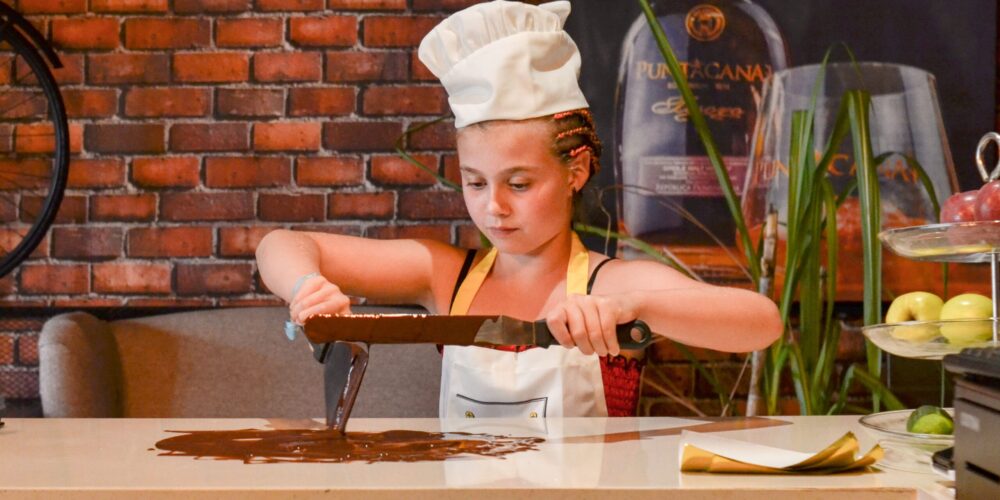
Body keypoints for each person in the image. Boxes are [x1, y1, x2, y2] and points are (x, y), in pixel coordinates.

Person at [256, 0, 782, 418]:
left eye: (520, 183)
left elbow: (761, 323)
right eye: (475, 182)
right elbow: (280, 244)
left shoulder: (611, 286)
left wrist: (633, 308)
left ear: (574, 171)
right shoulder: (444, 277)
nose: (494, 207)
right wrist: (305, 285)